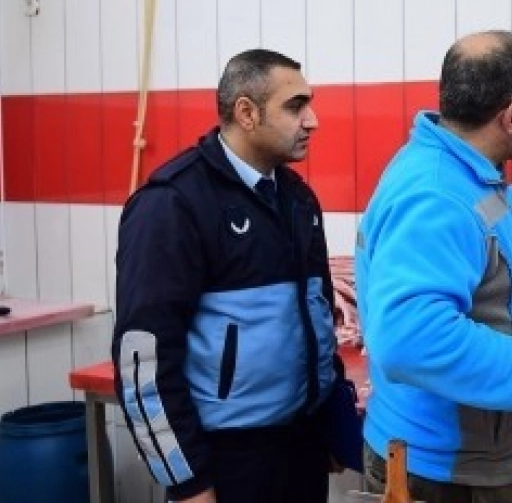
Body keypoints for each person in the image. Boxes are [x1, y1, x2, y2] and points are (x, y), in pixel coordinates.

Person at [355, 30, 512, 503]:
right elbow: (411, 338)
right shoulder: (435, 195)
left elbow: (487, 222)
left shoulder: (453, 172)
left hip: (457, 458)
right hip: (446, 474)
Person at [112, 49, 343, 503]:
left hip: (300, 450)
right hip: (225, 461)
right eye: (295, 106)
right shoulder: (172, 203)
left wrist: (329, 421)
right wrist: (188, 482)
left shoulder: (297, 199)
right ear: (246, 113)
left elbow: (317, 319)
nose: (312, 120)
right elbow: (142, 360)